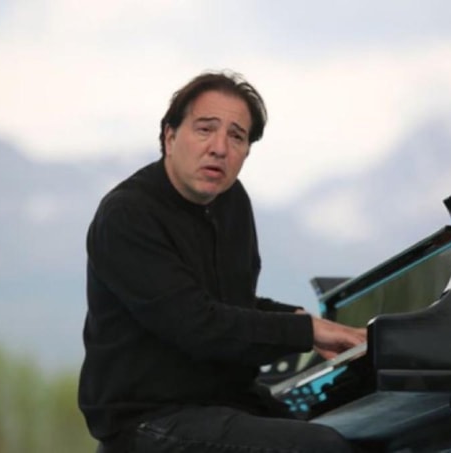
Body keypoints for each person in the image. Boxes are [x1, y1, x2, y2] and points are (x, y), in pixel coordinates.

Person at [79, 70, 367, 453]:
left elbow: (232, 304)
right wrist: (306, 331)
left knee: (360, 436)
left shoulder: (232, 202)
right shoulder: (127, 215)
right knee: (320, 448)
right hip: (149, 421)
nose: (219, 148)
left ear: (246, 151)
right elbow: (197, 324)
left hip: (225, 402)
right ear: (170, 137)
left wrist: (307, 322)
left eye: (236, 136)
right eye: (205, 129)